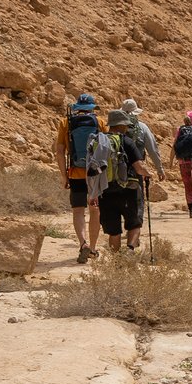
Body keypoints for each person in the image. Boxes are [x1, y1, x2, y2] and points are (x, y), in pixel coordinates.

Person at [54, 91, 103, 263]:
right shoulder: (100, 122)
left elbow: (60, 152)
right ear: (91, 108)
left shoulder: (65, 122)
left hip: (75, 173)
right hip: (95, 175)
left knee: (78, 211)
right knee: (95, 210)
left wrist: (64, 176)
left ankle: (83, 244)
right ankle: (94, 248)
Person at [98, 109, 151, 251]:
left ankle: (116, 261)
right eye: (126, 125)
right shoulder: (126, 141)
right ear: (121, 125)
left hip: (105, 190)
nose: (127, 127)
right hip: (128, 190)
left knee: (114, 230)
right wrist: (148, 174)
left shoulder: (100, 142)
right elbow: (139, 167)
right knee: (135, 224)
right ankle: (129, 251)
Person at [119, 98, 166, 187]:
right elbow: (153, 150)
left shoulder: (116, 127)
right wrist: (160, 169)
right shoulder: (142, 127)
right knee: (136, 198)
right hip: (137, 169)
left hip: (118, 170)